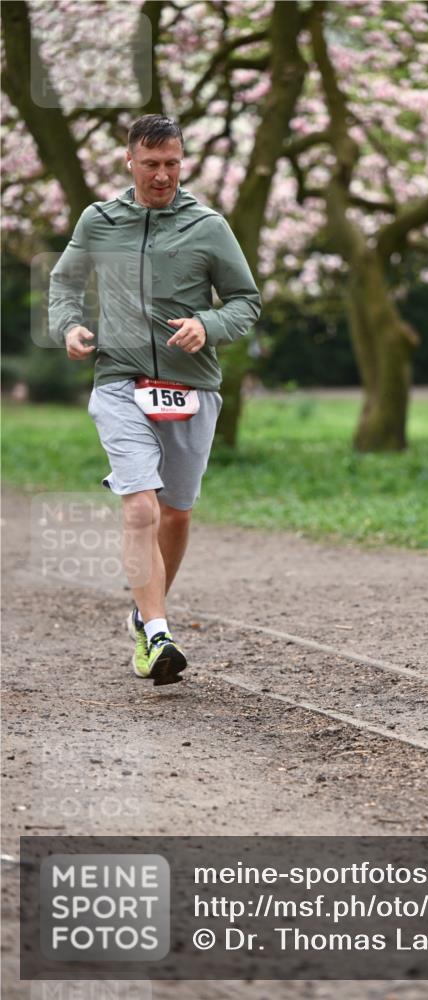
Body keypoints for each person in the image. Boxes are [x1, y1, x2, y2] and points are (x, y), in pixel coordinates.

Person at [49, 114, 261, 686]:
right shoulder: (99, 221)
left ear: (181, 161)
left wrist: (208, 324)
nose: (162, 175)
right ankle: (160, 632)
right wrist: (69, 326)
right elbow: (64, 284)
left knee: (176, 512)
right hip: (119, 381)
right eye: (151, 164)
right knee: (140, 506)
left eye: (172, 163)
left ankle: (144, 615)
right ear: (129, 162)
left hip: (193, 388)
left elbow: (245, 300)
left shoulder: (208, 226)